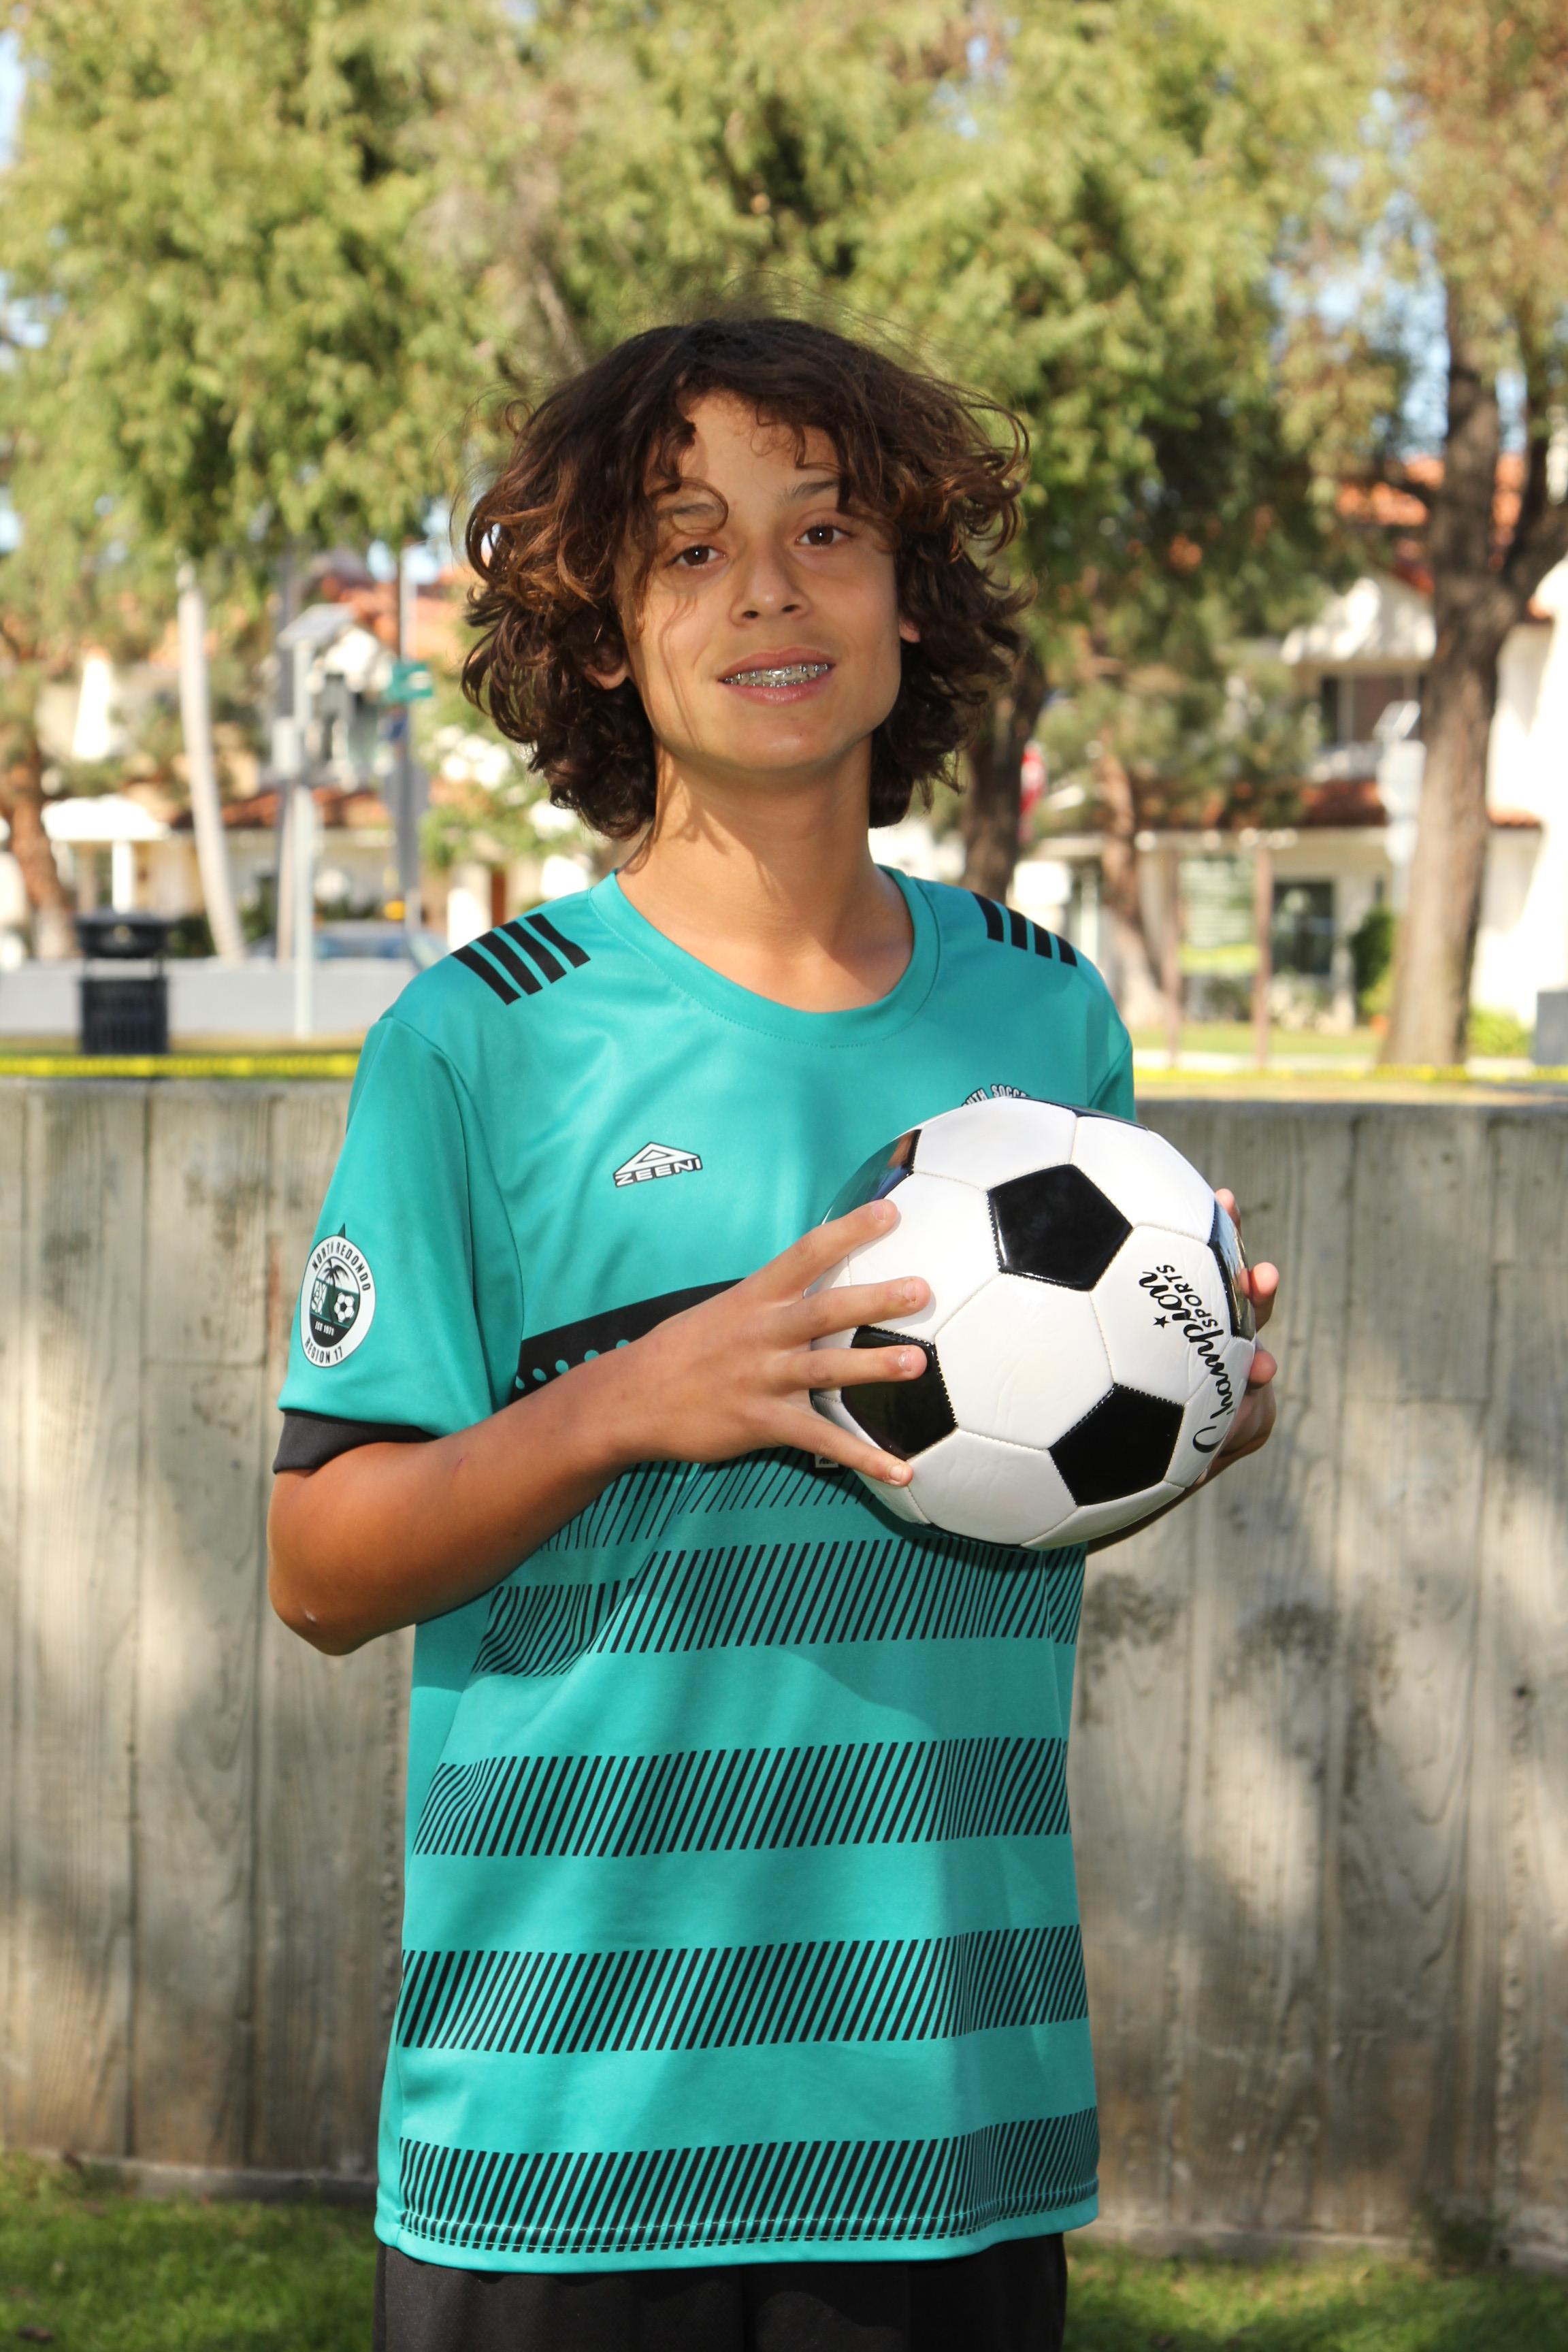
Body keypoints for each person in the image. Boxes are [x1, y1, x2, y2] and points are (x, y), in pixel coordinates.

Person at [267, 314, 1279, 2352]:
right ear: (604, 635)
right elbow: (318, 1568)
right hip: (569, 2124)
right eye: (690, 546)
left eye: (826, 530)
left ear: (911, 600)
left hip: (944, 2100)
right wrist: (628, 1405)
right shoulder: (484, 1043)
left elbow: (1011, 1482)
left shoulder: (1046, 1013)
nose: (768, 591)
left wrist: (1185, 1417)